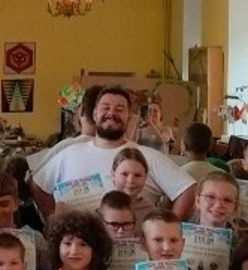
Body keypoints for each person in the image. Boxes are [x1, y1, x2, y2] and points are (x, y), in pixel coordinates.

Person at [31, 87, 195, 221]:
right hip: (78, 248)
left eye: (119, 109)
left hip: (131, 248)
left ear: (129, 117)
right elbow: (38, 185)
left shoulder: (147, 156)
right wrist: (52, 219)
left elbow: (187, 189)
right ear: (95, 114)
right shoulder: (69, 154)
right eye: (105, 107)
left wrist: (166, 230)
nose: (111, 113)